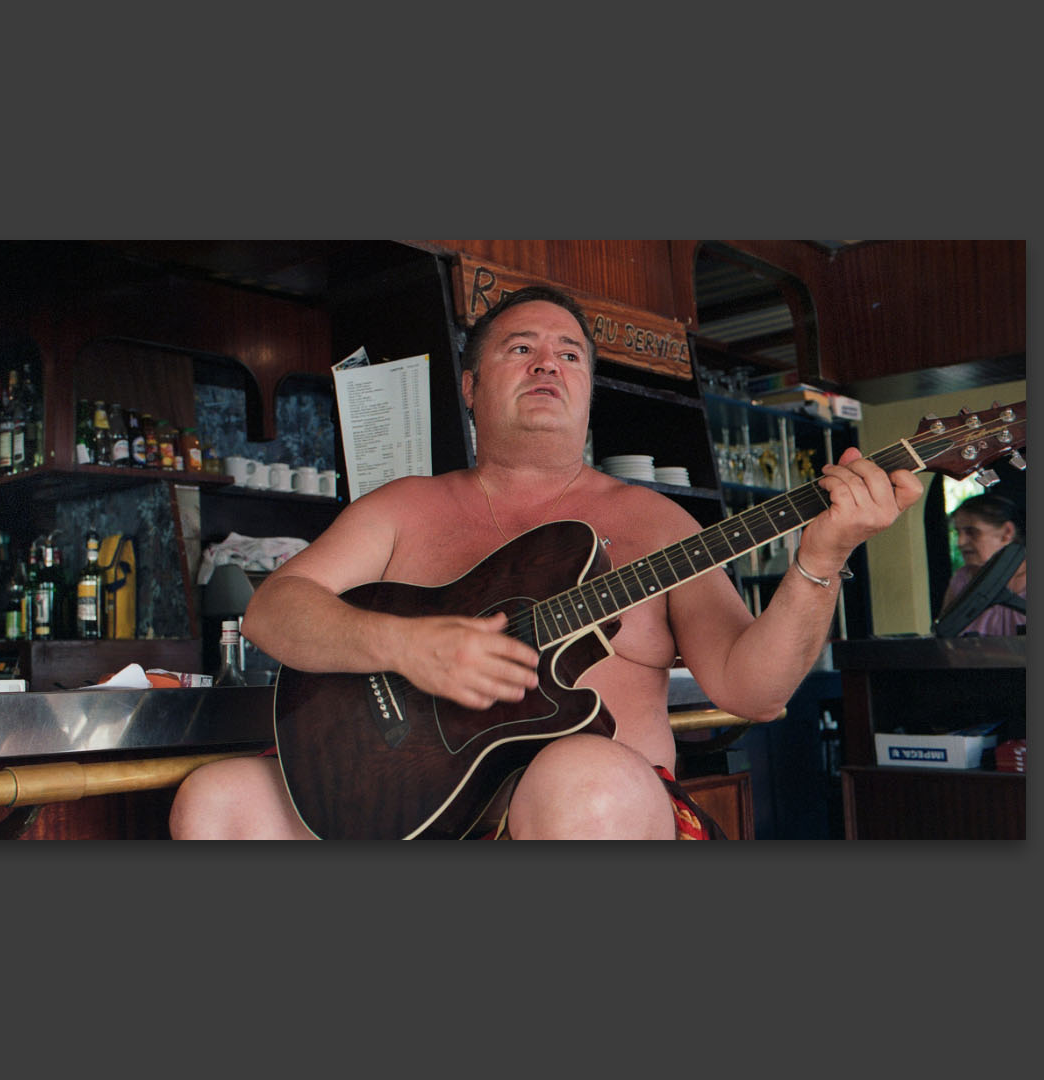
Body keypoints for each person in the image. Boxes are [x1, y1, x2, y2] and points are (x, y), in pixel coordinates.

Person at [168, 285, 923, 839]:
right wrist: (406, 645)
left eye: (569, 355)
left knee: (578, 774)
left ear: (589, 391)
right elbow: (273, 611)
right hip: (407, 804)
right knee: (215, 801)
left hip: (595, 809)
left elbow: (752, 690)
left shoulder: (659, 523)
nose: (547, 366)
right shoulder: (403, 507)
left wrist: (820, 560)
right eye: (519, 349)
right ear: (469, 388)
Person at [937, 492, 1026, 636]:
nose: (960, 542)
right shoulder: (962, 580)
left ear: (1007, 532)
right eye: (958, 533)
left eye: (971, 532)